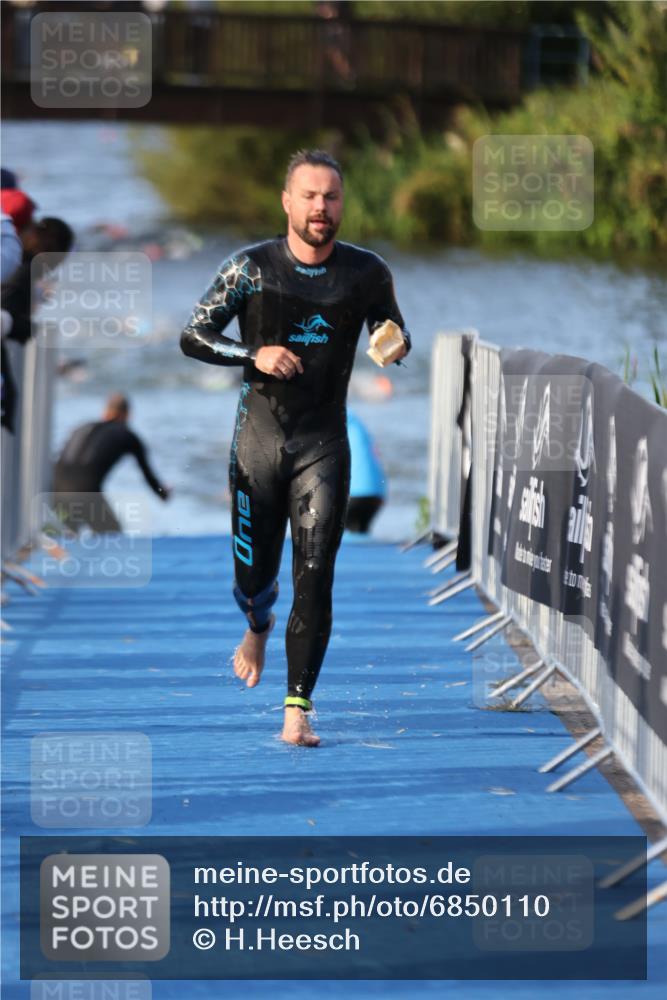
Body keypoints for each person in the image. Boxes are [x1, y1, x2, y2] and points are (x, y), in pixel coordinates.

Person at [181, 148, 410, 746]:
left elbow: (391, 330)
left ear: (342, 204)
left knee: (317, 572)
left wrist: (394, 343)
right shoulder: (250, 269)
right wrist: (251, 354)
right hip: (259, 442)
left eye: (331, 197)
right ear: (287, 201)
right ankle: (256, 622)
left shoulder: (367, 273)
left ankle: (297, 708)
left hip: (323, 442)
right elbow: (194, 334)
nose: (320, 207)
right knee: (254, 577)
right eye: (309, 196)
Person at [52, 393, 171, 533]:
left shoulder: (82, 427)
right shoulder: (127, 435)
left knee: (70, 535)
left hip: (55, 490)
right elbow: (147, 473)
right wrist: (162, 493)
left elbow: (60, 458)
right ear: (127, 414)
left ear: (105, 411)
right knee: (112, 535)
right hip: (87, 495)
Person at [345, 410, 386, 534]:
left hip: (354, 492)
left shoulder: (335, 416)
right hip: (377, 493)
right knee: (360, 535)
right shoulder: (354, 420)